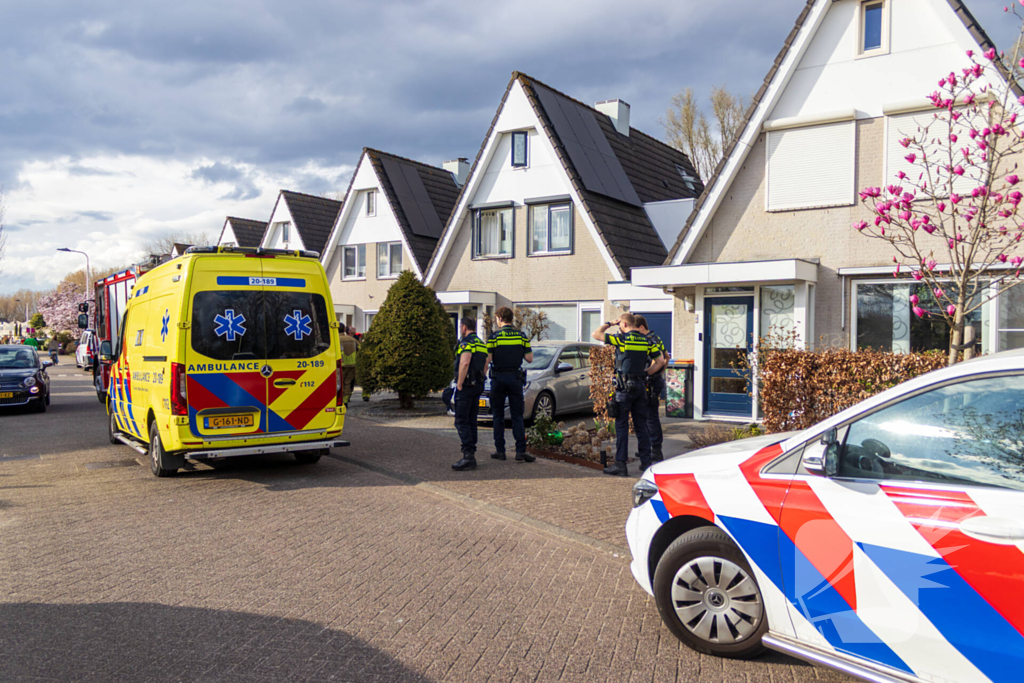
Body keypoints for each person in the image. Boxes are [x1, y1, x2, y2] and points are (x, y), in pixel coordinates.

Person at [592, 313, 662, 476]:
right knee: (641, 426)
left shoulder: (622, 339)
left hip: (624, 388)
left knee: (622, 426)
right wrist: (646, 373)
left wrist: (610, 323)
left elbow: (596, 334)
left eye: (620, 324)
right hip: (640, 387)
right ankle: (646, 463)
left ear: (623, 324)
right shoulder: (647, 341)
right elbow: (660, 361)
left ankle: (621, 465)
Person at [486, 306, 535, 463]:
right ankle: (520, 451)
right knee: (517, 416)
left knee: (498, 415)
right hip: (515, 379)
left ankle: (500, 451)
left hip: (498, 378)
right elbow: (529, 358)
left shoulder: (494, 337)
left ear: (500, 318)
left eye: (496, 319)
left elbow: (487, 359)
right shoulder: (521, 336)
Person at [452, 318, 489, 471]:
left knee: (461, 420)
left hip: (466, 386)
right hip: (477, 385)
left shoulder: (466, 343)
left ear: (464, 327)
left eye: (461, 326)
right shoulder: (481, 343)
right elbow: (486, 365)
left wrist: (460, 383)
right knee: (472, 420)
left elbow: (464, 363)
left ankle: (468, 456)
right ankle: (471, 454)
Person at [633, 315, 669, 462]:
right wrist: (660, 374)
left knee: (650, 417)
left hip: (651, 382)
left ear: (641, 327)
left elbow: (659, 360)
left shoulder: (649, 339)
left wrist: (648, 374)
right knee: (649, 416)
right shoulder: (656, 337)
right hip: (655, 380)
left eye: (635, 329)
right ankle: (649, 447)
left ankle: (656, 450)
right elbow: (666, 357)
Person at [338, 325, 359, 406]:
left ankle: (340, 399)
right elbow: (360, 348)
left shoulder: (336, 339)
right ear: (344, 330)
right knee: (348, 382)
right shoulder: (352, 339)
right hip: (352, 364)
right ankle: (346, 399)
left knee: (340, 383)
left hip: (341, 365)